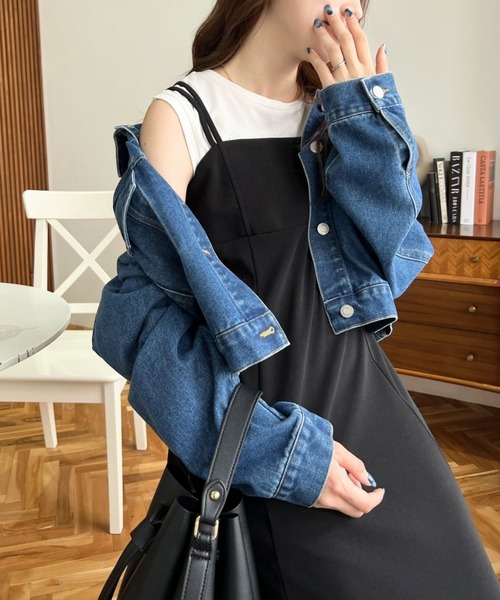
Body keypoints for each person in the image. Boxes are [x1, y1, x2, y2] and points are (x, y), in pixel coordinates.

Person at [93, 0, 500, 597]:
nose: (348, 5)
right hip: (270, 432)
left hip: (373, 407)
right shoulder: (183, 116)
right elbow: (138, 318)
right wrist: (285, 457)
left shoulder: (337, 112)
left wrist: (365, 116)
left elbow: (395, 261)